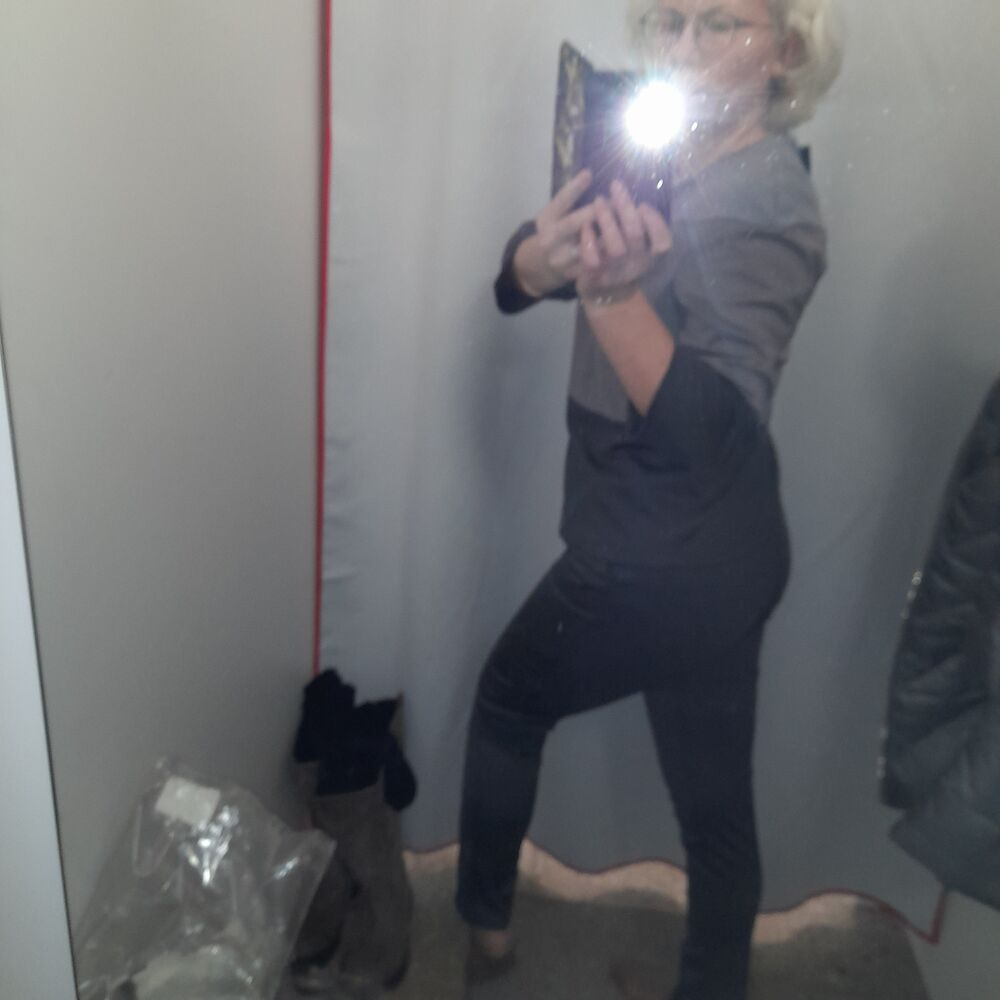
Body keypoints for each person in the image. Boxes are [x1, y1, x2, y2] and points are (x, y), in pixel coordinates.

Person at [456, 2, 844, 998]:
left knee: (507, 701)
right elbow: (521, 281)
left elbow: (713, 435)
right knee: (715, 816)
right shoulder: (667, 153)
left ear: (786, 50)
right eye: (670, 20)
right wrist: (539, 260)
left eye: (721, 23)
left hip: (663, 555)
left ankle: (484, 942)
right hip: (711, 556)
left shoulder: (765, 202)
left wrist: (608, 295)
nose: (684, 48)